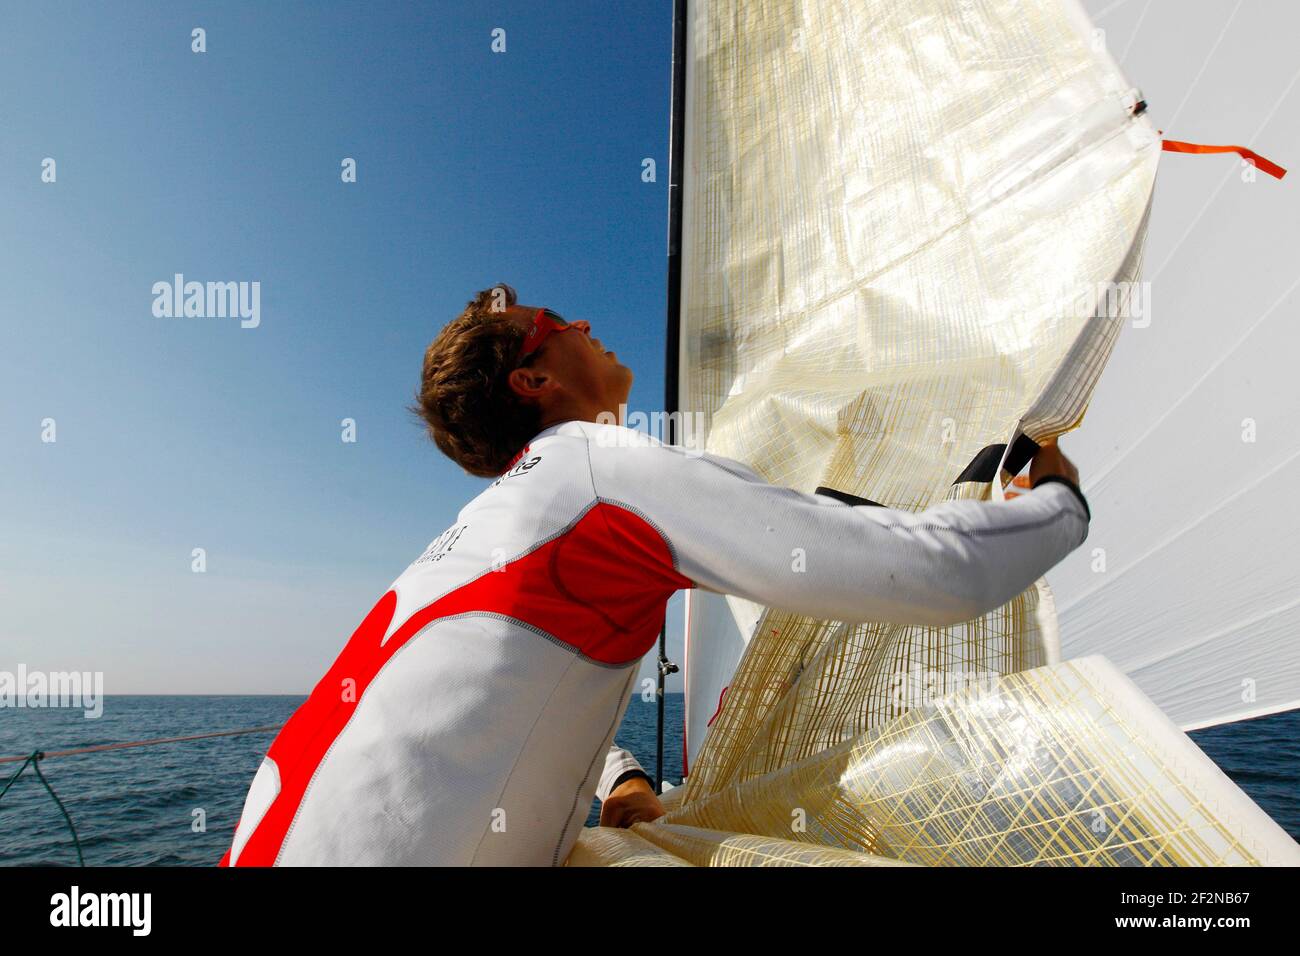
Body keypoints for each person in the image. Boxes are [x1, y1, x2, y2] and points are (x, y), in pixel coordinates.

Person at [219, 283, 1091, 866]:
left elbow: (488, 713)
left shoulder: (477, 540)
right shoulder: (596, 469)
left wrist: (617, 777)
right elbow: (930, 578)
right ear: (532, 377)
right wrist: (1057, 504)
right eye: (560, 322)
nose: (587, 326)